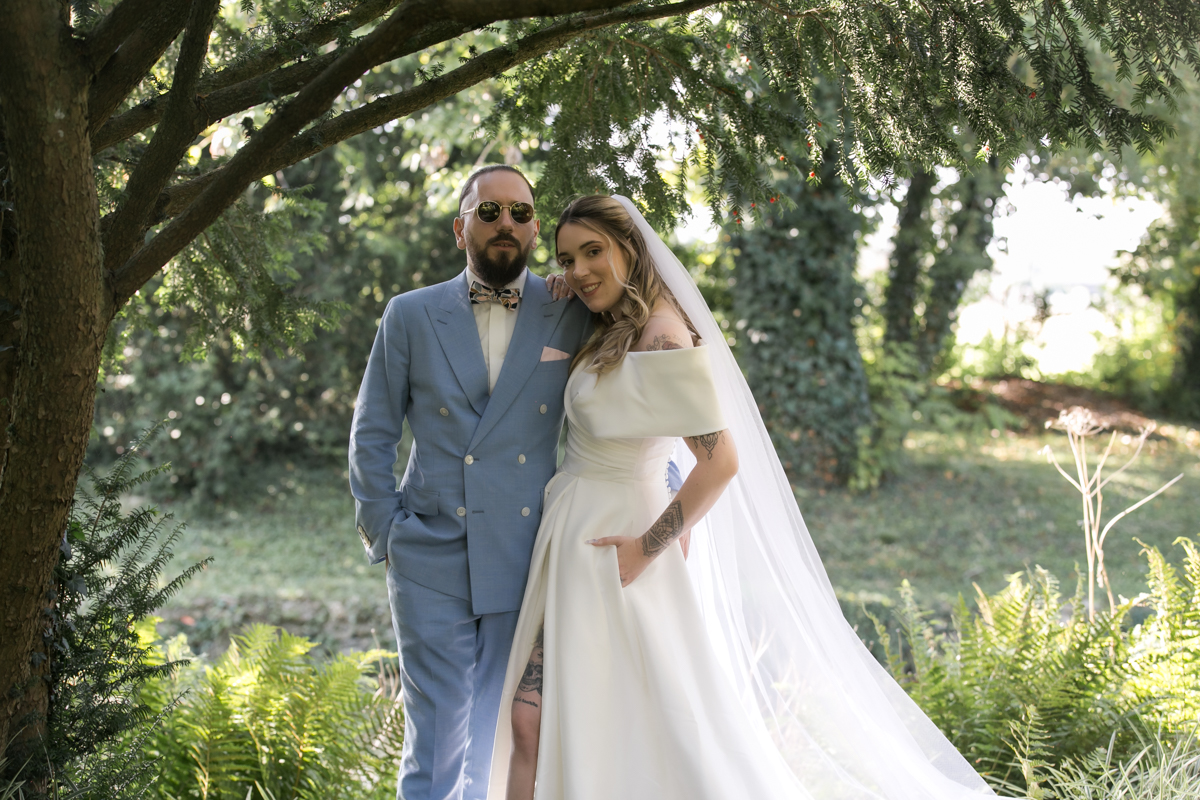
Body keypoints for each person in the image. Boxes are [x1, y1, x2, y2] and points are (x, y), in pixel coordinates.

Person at [488, 195, 1004, 800]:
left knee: (598, 726)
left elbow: (720, 461)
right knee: (542, 722)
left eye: (593, 252)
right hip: (572, 537)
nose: (578, 270)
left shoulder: (663, 337)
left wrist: (646, 548)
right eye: (567, 259)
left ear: (631, 248)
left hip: (618, 549)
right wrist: (564, 287)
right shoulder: (614, 324)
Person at [348, 165, 591, 800]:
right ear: (461, 229)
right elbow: (373, 431)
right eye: (488, 212)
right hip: (429, 552)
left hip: (525, 552)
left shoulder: (572, 311)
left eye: (520, 212)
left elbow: (629, 389)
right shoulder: (410, 314)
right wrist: (387, 533)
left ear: (535, 229)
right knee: (434, 740)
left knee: (499, 736)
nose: (505, 223)